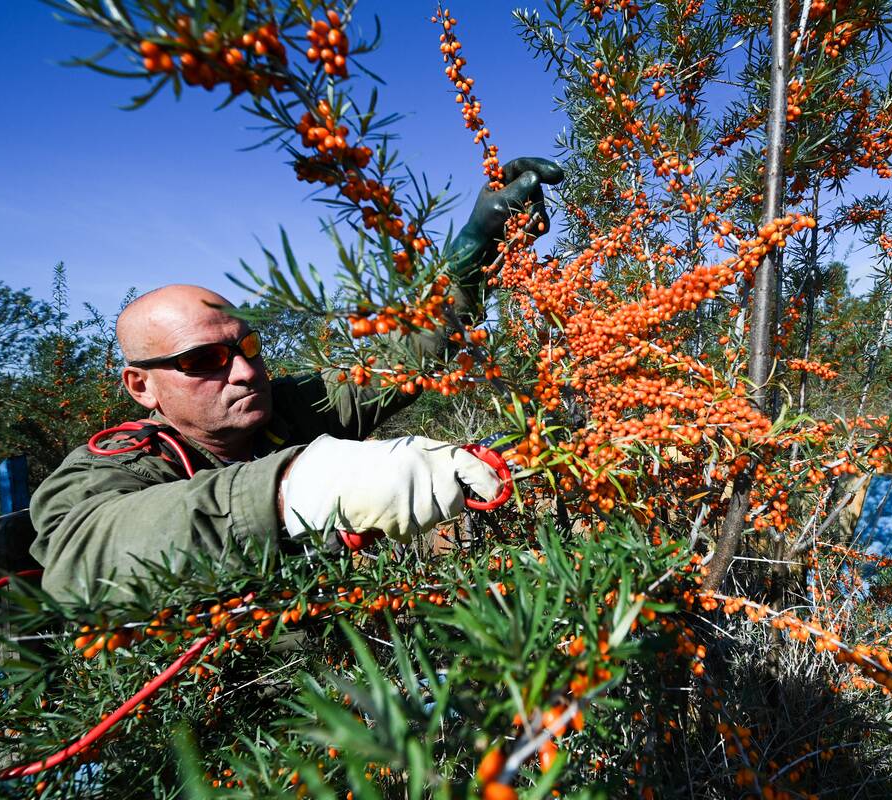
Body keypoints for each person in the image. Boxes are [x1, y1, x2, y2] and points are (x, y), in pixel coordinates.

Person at [29, 158, 563, 603]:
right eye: (203, 360)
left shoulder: (290, 407)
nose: (244, 371)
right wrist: (290, 490)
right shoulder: (123, 466)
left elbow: (399, 361)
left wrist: (475, 250)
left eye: (247, 348)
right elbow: (78, 556)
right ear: (142, 386)